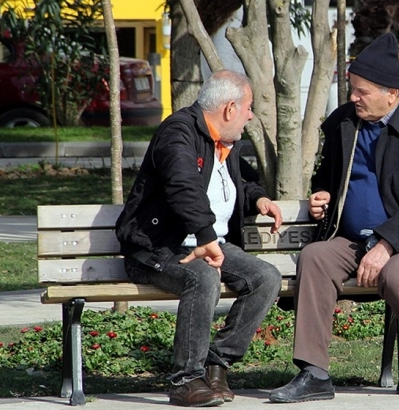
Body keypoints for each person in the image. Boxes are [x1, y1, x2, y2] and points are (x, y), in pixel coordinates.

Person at [268, 33, 399, 403]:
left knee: (397, 272)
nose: (353, 97)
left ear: (391, 93)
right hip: (352, 239)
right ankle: (314, 373)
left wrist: (387, 244)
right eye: (352, 89)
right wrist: (322, 193)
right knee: (315, 258)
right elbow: (327, 173)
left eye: (362, 91)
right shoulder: (344, 123)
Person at [116, 70, 284, 407]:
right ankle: (184, 380)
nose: (251, 116)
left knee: (266, 278)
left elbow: (237, 180)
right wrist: (206, 237)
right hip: (157, 247)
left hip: (210, 244)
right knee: (203, 278)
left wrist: (257, 198)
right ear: (229, 109)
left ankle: (215, 365)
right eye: (248, 108)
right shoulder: (177, 133)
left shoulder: (224, 141)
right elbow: (183, 186)